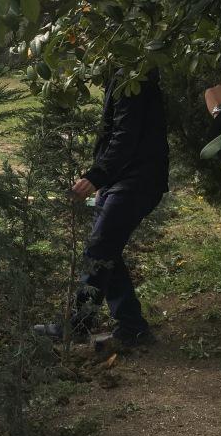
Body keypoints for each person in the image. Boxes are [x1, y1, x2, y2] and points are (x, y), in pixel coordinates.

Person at [35, 68, 170, 349]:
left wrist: (96, 176)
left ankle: (79, 326)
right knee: (106, 249)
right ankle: (132, 326)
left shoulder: (130, 78)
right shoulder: (119, 74)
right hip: (122, 178)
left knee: (98, 249)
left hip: (136, 179)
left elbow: (125, 135)